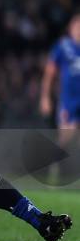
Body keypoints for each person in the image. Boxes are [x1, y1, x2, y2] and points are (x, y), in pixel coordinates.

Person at [40, 12, 80, 146]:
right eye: (77, 26)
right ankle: (54, 164)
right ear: (71, 28)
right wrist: (45, 97)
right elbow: (50, 72)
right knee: (68, 137)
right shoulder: (63, 46)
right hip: (69, 102)